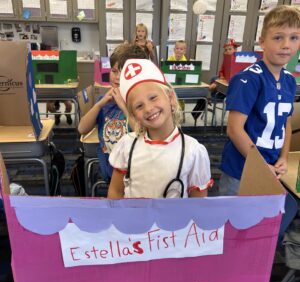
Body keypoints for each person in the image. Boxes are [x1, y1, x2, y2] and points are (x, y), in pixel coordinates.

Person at [219, 5, 300, 196]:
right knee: (234, 219)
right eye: (278, 37)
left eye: (294, 38)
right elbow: (234, 128)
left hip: (272, 166)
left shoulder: (289, 80)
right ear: (262, 42)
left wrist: (284, 157)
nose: (286, 45)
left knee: (261, 220)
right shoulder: (248, 79)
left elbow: (285, 123)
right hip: (242, 170)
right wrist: (260, 167)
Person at [108, 59, 213, 199]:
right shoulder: (127, 145)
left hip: (174, 221)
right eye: (139, 106)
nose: (149, 108)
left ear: (170, 98)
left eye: (153, 97)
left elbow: (198, 205)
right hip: (134, 220)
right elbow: (115, 192)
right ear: (134, 115)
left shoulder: (193, 151)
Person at [78, 44, 147, 183]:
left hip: (136, 176)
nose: (117, 77)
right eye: (114, 71)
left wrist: (123, 107)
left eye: (124, 73)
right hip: (110, 172)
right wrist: (100, 104)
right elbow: (82, 129)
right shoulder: (104, 104)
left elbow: (144, 135)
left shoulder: (142, 104)